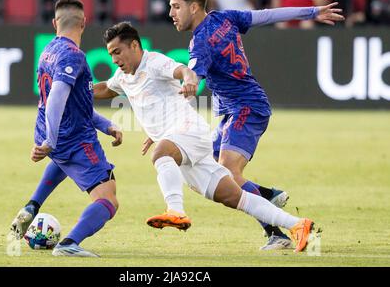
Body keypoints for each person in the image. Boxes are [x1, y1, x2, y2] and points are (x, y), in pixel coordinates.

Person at [93, 21, 317, 253]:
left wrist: (190, 79)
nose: (114, 59)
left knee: (160, 153)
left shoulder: (154, 62)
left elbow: (181, 70)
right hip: (180, 142)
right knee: (234, 197)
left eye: (117, 52)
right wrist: (78, 89)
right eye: (110, 54)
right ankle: (298, 225)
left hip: (188, 131)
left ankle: (175, 211)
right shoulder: (123, 76)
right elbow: (106, 89)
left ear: (134, 46)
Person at [165, 0, 344, 250]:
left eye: (176, 6)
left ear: (193, 7)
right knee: (202, 173)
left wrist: (187, 84)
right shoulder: (224, 18)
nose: (170, 13)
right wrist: (311, 12)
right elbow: (268, 15)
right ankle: (267, 195)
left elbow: (194, 77)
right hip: (235, 111)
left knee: (227, 173)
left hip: (246, 108)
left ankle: (277, 233)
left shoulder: (200, 42)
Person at [10, 0, 122, 257]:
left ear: (54, 23)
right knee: (108, 198)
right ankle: (69, 243)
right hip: (72, 138)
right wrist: (50, 140)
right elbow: (57, 99)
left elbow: (76, 104)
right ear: (84, 22)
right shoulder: (75, 56)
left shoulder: (48, 49)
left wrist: (106, 125)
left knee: (62, 159)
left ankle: (32, 206)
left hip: (53, 134)